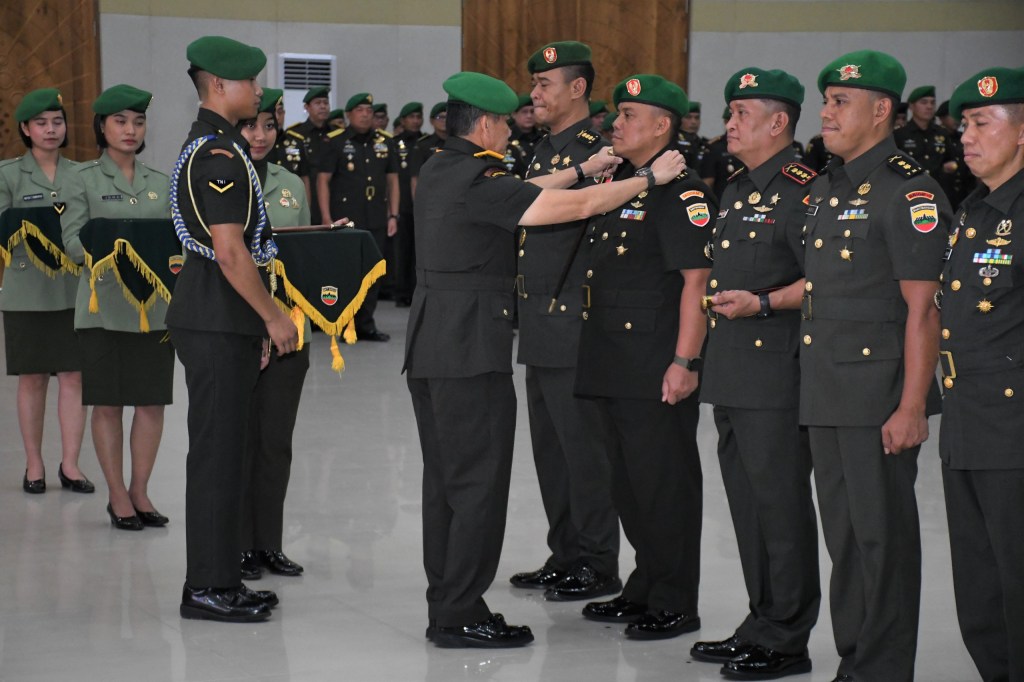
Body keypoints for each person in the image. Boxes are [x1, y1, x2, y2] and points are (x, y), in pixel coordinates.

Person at [404, 70, 685, 649]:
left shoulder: (442, 166)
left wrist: (581, 167)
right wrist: (647, 179)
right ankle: (460, 612)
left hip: (432, 344)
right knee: (477, 486)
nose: (513, 130)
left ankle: (446, 602)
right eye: (506, 123)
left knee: (446, 483)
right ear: (486, 125)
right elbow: (571, 207)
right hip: (469, 350)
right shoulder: (481, 178)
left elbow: (528, 188)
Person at [801, 50, 950, 682]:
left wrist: (912, 406)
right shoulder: (827, 185)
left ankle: (883, 669)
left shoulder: (910, 191)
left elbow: (924, 310)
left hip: (877, 396)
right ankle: (855, 661)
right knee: (844, 539)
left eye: (841, 101)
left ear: (882, 109)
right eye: (826, 101)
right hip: (826, 391)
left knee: (881, 540)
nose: (826, 112)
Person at [690, 68, 819, 679]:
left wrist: (764, 302)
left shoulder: (805, 191)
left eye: (742, 113)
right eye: (729, 113)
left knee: (780, 510)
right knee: (748, 510)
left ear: (779, 122)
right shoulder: (738, 187)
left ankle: (788, 636)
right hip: (732, 372)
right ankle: (761, 621)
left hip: (775, 376)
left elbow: (827, 280)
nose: (730, 124)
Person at [575, 74, 713, 641]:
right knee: (628, 485)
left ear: (662, 126)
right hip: (612, 358)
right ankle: (646, 583)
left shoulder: (682, 192)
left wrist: (686, 361)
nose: (616, 123)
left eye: (629, 115)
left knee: (663, 484)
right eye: (617, 113)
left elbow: (697, 282)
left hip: (655, 363)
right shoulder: (623, 183)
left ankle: (676, 599)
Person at [166, 35, 298, 623]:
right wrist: (273, 315)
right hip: (216, 318)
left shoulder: (217, 145)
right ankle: (206, 586)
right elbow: (229, 251)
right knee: (217, 458)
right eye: (252, 81)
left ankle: (221, 578)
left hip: (223, 319)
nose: (260, 90)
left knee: (227, 454)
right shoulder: (217, 155)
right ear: (220, 85)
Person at [508, 40, 620, 603]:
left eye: (544, 84)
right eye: (534, 84)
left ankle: (598, 562)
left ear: (578, 89)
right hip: (538, 319)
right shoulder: (542, 151)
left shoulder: (598, 154)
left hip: (573, 319)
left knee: (583, 450)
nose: (534, 94)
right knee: (550, 451)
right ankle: (566, 554)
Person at [940, 66, 1024, 682]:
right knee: (979, 583)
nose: (966, 136)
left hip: (1014, 428)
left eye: (981, 123)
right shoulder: (974, 208)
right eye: (964, 124)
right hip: (967, 421)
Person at [62, 84, 173, 529]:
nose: (131, 130)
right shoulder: (80, 179)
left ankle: (140, 490)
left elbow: (174, 248)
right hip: (102, 308)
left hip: (153, 312)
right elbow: (72, 244)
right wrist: (121, 247)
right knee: (107, 404)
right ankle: (117, 495)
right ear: (102, 126)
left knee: (151, 404)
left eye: (139, 122)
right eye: (121, 121)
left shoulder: (160, 182)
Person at [0, 88, 92, 495]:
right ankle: (34, 464)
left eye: (57, 122)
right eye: (41, 123)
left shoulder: (83, 174)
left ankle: (70, 464)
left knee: (74, 376)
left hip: (74, 289)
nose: (51, 129)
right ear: (25, 129)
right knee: (33, 377)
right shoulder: (7, 174)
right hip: (28, 291)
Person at [236, 88, 310, 580]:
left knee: (275, 442)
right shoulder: (221, 176)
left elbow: (300, 261)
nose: (260, 135)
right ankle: (240, 545)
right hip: (240, 328)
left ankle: (269, 544)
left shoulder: (291, 184)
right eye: (250, 126)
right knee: (239, 442)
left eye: (268, 125)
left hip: (287, 330)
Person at [317, 92, 399, 341]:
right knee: (348, 272)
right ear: (349, 114)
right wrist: (326, 217)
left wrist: (393, 215)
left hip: (376, 217)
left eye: (369, 110)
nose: (365, 115)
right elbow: (323, 180)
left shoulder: (385, 142)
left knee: (372, 272)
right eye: (360, 110)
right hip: (346, 218)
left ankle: (366, 324)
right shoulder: (335, 141)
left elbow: (392, 181)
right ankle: (346, 323)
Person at [895, 85, 958, 195]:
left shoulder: (942, 133)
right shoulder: (900, 135)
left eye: (932, 103)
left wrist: (950, 167)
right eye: (924, 102)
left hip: (938, 191)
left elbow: (951, 160)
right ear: (911, 106)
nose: (929, 106)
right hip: (910, 191)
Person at [392, 102, 424, 307]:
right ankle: (401, 291)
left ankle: (416, 290)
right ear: (403, 120)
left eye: (418, 117)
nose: (415, 121)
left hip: (422, 204)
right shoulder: (394, 143)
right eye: (411, 117)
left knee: (419, 251)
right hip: (402, 203)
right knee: (401, 250)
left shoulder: (425, 142)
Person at [286, 86, 332, 224]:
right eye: (318, 103)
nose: (323, 106)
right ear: (307, 107)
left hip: (332, 197)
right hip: (305, 192)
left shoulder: (336, 133)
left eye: (325, 102)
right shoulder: (296, 133)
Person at [679, 100, 707, 169]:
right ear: (680, 119)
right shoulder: (672, 141)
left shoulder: (703, 143)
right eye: (688, 117)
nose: (693, 122)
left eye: (697, 118)